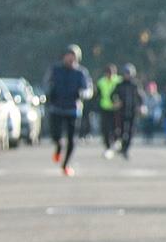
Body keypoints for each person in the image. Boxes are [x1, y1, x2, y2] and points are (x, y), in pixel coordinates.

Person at [44, 45, 94, 177]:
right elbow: (46, 84)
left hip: (73, 109)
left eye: (73, 57)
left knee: (72, 139)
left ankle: (65, 165)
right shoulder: (55, 70)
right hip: (56, 108)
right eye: (68, 56)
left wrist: (82, 94)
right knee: (56, 136)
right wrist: (49, 92)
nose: (70, 59)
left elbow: (88, 90)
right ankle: (59, 147)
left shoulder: (81, 72)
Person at [113, 64, 142, 160]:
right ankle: (122, 146)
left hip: (132, 112)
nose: (127, 75)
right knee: (120, 131)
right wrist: (116, 101)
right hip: (121, 112)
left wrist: (140, 106)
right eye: (126, 73)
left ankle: (125, 149)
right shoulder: (119, 85)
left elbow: (140, 97)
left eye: (129, 73)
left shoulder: (135, 85)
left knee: (130, 132)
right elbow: (113, 95)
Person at [96, 63, 123, 156]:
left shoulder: (119, 80)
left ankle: (116, 141)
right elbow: (97, 95)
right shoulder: (101, 82)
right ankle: (108, 147)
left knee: (116, 127)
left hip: (116, 109)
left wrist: (119, 102)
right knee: (105, 129)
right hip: (105, 107)